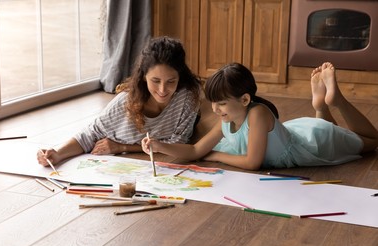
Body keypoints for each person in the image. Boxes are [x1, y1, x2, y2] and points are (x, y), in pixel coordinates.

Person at [142, 62, 378, 170]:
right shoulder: (227, 119)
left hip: (314, 144)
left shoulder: (257, 114)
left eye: (221, 103)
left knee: (373, 142)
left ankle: (337, 101)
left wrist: (216, 155)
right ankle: (320, 107)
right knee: (328, 128)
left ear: (244, 100)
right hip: (305, 133)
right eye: (213, 103)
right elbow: (194, 151)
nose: (215, 110)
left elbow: (253, 163)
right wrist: (159, 145)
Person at [37, 36, 202, 167]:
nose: (162, 89)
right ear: (144, 76)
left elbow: (178, 144)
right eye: (156, 81)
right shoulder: (126, 102)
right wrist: (57, 153)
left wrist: (122, 147)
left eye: (171, 81)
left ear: (180, 76)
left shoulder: (186, 97)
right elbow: (90, 134)